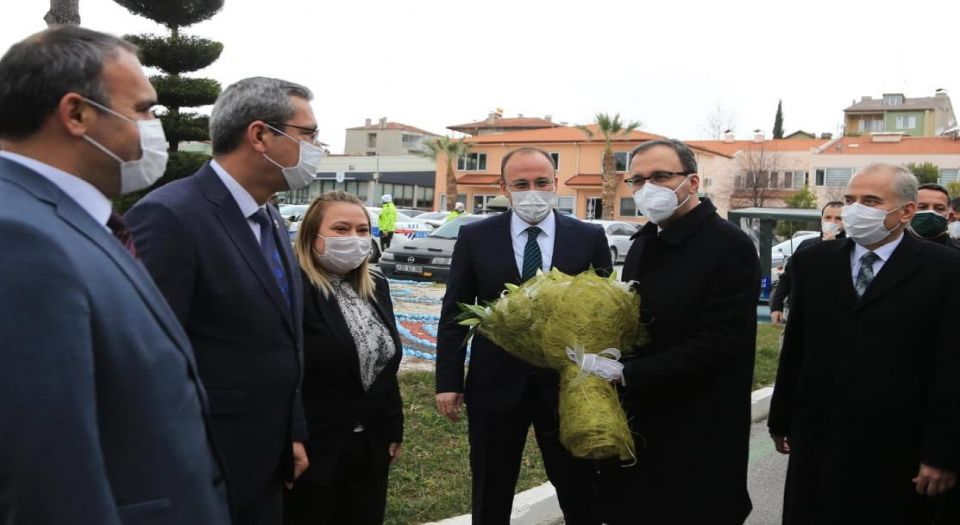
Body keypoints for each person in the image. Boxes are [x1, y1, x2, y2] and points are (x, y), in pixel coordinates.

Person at [0, 26, 230, 524]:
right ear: (77, 114)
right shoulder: (17, 236)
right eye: (144, 109)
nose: (154, 126)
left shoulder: (71, 219)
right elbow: (45, 473)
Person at [125, 76, 322, 524]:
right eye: (308, 134)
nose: (317, 147)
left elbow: (281, 339)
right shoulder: (171, 216)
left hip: (265, 458)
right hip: (201, 467)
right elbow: (146, 359)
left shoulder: (270, 216)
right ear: (259, 135)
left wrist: (289, 431)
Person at [768, 163, 960, 524]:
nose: (855, 210)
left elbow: (951, 367)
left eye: (871, 201)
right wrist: (781, 420)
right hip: (819, 438)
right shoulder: (813, 262)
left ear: (905, 211)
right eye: (850, 199)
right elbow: (796, 348)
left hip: (898, 445)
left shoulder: (946, 269)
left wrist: (943, 454)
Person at [436, 147, 612, 525]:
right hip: (494, 386)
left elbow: (604, 312)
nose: (533, 191)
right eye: (521, 183)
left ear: (555, 183)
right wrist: (448, 381)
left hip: (567, 386)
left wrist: (602, 374)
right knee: (491, 487)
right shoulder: (475, 236)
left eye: (541, 182)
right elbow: (455, 312)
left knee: (579, 486)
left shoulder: (588, 236)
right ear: (503, 186)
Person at [598, 139, 760, 524]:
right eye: (637, 180)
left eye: (660, 176)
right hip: (641, 417)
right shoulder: (644, 243)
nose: (647, 188)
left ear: (692, 182)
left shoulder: (729, 246)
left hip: (701, 422)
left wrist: (629, 373)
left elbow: (722, 341)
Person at [283, 191, 403, 525]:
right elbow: (279, 374)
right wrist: (287, 438)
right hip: (313, 448)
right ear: (312, 235)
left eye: (362, 230)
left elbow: (385, 364)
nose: (354, 238)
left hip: (369, 447)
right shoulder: (293, 289)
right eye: (341, 228)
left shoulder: (375, 286)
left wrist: (393, 427)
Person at [770, 201, 845, 324]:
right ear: (821, 219)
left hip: (833, 317)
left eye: (838, 218)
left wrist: (832, 246)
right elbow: (788, 275)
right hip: (800, 313)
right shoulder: (806, 244)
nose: (832, 222)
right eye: (827, 217)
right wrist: (776, 306)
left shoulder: (850, 247)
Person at [912, 183, 960, 249]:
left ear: (949, 215)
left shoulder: (957, 251)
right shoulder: (895, 246)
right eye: (922, 207)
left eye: (940, 208)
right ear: (908, 211)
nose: (931, 212)